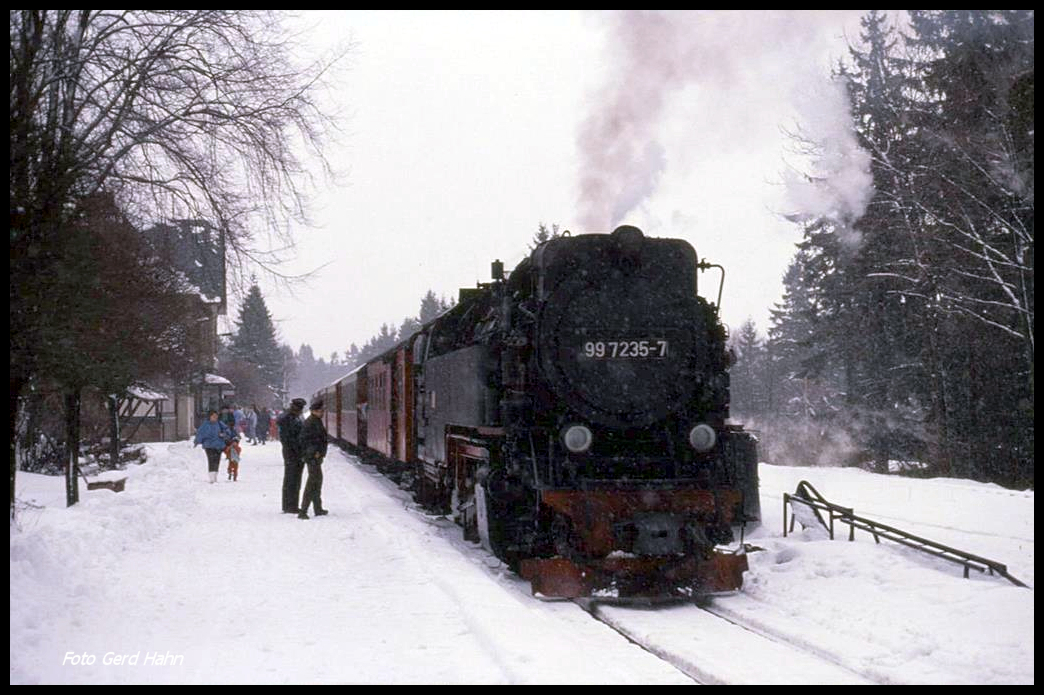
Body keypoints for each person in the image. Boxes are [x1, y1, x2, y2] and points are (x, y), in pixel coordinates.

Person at [298, 398, 329, 519]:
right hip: (312, 457)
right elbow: (306, 440)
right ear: (315, 411)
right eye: (321, 411)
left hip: (315, 457)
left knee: (317, 482)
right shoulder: (311, 422)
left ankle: (318, 508)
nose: (323, 413)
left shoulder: (315, 421)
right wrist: (314, 452)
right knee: (312, 483)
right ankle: (303, 511)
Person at [278, 398, 307, 514]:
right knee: (292, 479)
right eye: (300, 408)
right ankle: (290, 505)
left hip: (293, 452)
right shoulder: (289, 419)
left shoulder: (291, 417)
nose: (301, 411)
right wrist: (298, 449)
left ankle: (291, 504)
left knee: (294, 479)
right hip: (292, 452)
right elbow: (289, 438)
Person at [194, 409, 234, 484]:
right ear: (209, 417)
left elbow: (228, 432)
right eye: (213, 416)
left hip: (219, 445)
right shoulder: (205, 425)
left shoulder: (220, 424)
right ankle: (211, 477)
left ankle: (215, 475)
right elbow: (200, 434)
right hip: (209, 446)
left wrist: (223, 435)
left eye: (216, 416)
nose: (215, 418)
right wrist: (197, 442)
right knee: (211, 460)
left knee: (217, 461)